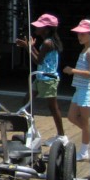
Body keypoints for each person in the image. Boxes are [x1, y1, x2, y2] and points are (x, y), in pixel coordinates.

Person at [16, 14, 66, 146]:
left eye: (40, 26)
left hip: (48, 79)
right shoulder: (48, 42)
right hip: (40, 77)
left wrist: (28, 47)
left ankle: (61, 135)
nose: (36, 28)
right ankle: (31, 131)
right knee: (27, 101)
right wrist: (31, 47)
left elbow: (37, 60)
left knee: (53, 107)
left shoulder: (47, 42)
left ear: (47, 29)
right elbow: (40, 58)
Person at [63, 18, 90, 161]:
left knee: (85, 122)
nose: (80, 36)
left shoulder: (89, 52)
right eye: (79, 34)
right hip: (79, 89)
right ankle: (88, 137)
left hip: (87, 90)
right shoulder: (84, 50)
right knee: (71, 117)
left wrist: (73, 71)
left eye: (83, 34)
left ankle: (85, 151)